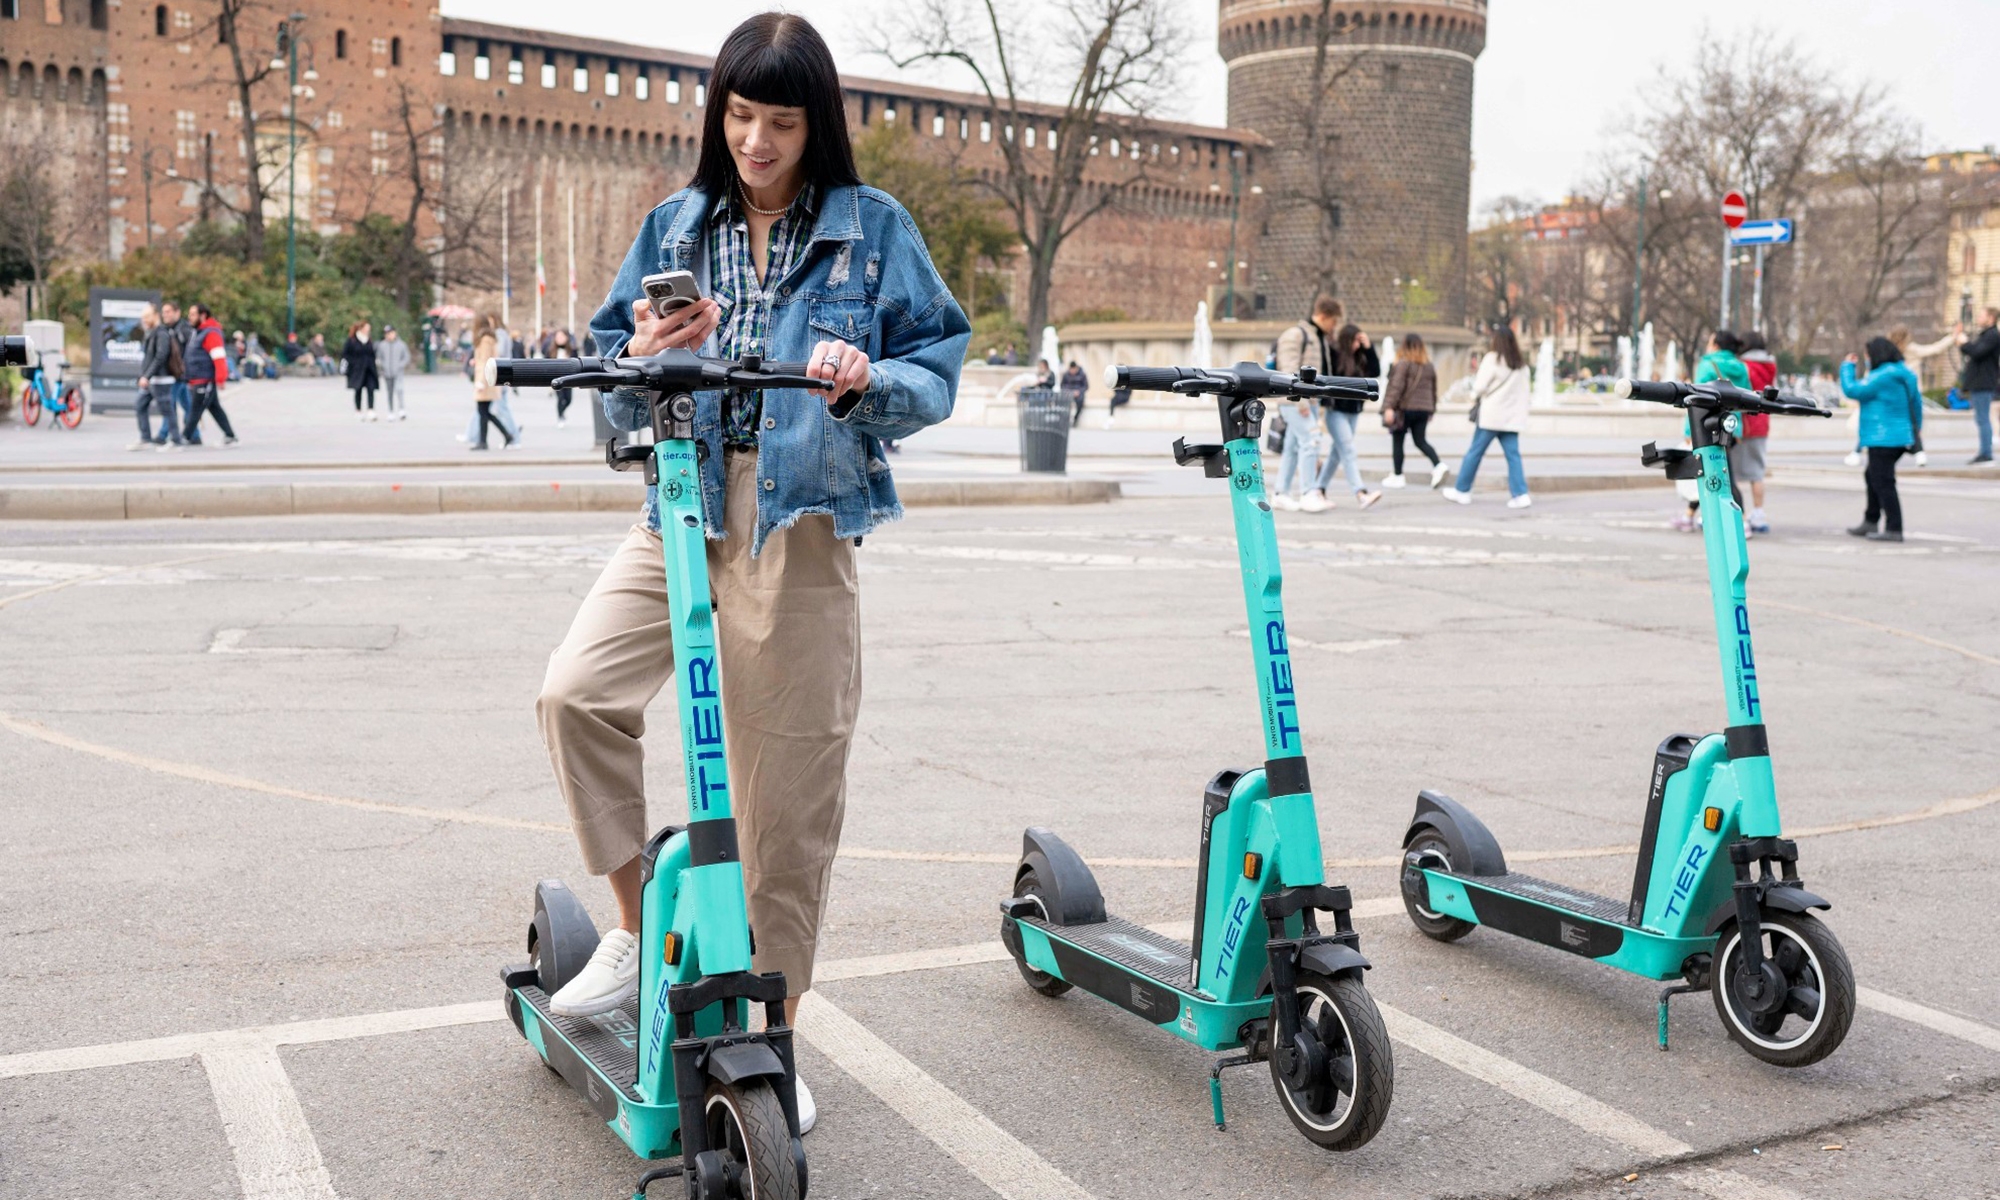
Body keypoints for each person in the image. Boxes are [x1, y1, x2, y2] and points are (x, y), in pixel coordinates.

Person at [539, 14, 968, 1138]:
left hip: (801, 517)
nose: (756, 142)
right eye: (738, 116)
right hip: (675, 508)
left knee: (784, 801)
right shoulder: (676, 223)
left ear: (814, 124)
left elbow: (938, 368)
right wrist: (642, 354)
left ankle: (765, 1034)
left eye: (780, 121)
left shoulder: (873, 231)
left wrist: (865, 378)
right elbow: (610, 372)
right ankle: (646, 934)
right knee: (574, 695)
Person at [1841, 336, 1921, 543]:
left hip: (1882, 437)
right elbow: (1917, 404)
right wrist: (1915, 431)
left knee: (1883, 482)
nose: (1867, 358)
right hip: (1899, 436)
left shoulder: (1882, 376)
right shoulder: (1905, 374)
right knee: (1873, 476)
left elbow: (1853, 390)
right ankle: (1871, 519)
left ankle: (1894, 527)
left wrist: (1847, 367)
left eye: (1868, 354)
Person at [1442, 326, 1532, 507]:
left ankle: (1462, 490)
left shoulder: (1493, 359)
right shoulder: (1521, 364)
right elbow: (1525, 393)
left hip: (1492, 416)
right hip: (1511, 418)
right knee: (1513, 456)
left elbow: (1480, 386)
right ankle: (1520, 494)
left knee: (1474, 453)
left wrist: (1473, 397)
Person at [1673, 330, 1751, 531]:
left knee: (1721, 474)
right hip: (1731, 426)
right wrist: (1739, 429)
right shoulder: (1741, 369)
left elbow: (1695, 400)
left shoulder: (1707, 365)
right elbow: (1748, 398)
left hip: (1707, 426)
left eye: (1709, 341)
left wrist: (1690, 431)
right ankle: (1690, 515)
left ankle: (1741, 522)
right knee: (1714, 470)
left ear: (1715, 345)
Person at [1302, 320, 1382, 511]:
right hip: (1336, 412)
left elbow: (1376, 372)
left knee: (1336, 455)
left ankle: (1318, 489)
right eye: (1355, 341)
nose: (1357, 345)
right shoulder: (1336, 354)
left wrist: (1369, 348)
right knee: (1348, 450)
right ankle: (1361, 493)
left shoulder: (1360, 357)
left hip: (1354, 413)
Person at [1380, 332, 1443, 489]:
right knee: (1420, 441)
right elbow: (1434, 390)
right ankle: (1439, 465)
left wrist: (1388, 407)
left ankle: (1398, 475)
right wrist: (1432, 409)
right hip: (1423, 410)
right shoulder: (1428, 366)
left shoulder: (1403, 363)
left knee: (1398, 440)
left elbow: (1395, 388)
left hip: (1406, 409)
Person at [1735, 331, 1777, 534]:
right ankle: (1759, 513)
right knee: (1757, 472)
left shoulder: (1743, 365)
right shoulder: (1770, 365)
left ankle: (1736, 514)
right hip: (1763, 421)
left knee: (1731, 471)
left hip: (1745, 421)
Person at [132, 303, 186, 451]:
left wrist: (147, 376)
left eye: (147, 316)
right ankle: (146, 438)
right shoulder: (151, 333)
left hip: (161, 379)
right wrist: (143, 375)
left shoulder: (161, 333)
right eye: (143, 317)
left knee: (167, 409)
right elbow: (149, 358)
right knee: (140, 405)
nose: (144, 320)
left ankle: (176, 440)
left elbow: (161, 356)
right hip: (152, 379)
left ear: (155, 316)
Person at [182, 302, 238, 445]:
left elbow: (219, 357)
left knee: (196, 409)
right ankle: (230, 435)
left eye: (193, 314)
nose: (190, 317)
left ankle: (184, 437)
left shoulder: (211, 333)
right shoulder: (198, 332)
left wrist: (220, 379)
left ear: (203, 315)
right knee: (214, 407)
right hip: (198, 378)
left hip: (205, 379)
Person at [1957, 307, 1999, 465]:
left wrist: (1964, 342)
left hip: (1983, 383)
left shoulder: (1992, 335)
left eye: (1982, 315)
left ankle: (1986, 453)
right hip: (1980, 383)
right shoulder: (1987, 335)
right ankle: (1985, 452)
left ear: (1991, 318)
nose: (1979, 318)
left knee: (1983, 419)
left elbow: (1976, 352)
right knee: (1981, 418)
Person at [1269, 393, 1323, 510]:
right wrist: (1302, 403)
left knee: (1291, 448)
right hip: (1297, 400)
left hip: (1301, 400)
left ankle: (1281, 492)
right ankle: (1308, 493)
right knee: (1311, 441)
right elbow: (1293, 376)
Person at [468, 316, 513, 450]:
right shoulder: (489, 338)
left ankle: (486, 441)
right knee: (484, 412)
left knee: (483, 411)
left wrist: (481, 382)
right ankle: (502, 436)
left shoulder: (485, 340)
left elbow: (485, 362)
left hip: (485, 381)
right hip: (487, 380)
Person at [160, 301, 198, 445]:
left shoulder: (184, 329)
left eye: (168, 311)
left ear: (177, 312)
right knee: (187, 405)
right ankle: (195, 434)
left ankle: (163, 434)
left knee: (169, 404)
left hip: (180, 374)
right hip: (177, 374)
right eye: (164, 312)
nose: (165, 315)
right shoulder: (169, 329)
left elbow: (191, 351)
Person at [344, 321, 381, 420]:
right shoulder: (352, 340)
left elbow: (372, 354)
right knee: (358, 389)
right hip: (357, 369)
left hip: (369, 369)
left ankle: (370, 409)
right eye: (366, 328)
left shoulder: (369, 340)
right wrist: (353, 364)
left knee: (371, 389)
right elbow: (345, 354)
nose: (368, 330)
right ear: (361, 328)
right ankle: (358, 410)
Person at [377, 324, 411, 421]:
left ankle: (401, 409)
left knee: (399, 389)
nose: (389, 335)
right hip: (387, 372)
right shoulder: (382, 345)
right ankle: (390, 411)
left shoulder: (401, 345)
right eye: (387, 334)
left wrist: (400, 365)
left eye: (390, 333)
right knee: (390, 392)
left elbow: (406, 357)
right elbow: (379, 357)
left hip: (398, 372)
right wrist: (382, 365)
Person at [546, 328, 577, 425]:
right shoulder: (551, 350)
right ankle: (560, 417)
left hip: (569, 378)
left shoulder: (572, 350)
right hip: (556, 378)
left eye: (562, 336)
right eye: (557, 337)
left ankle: (562, 412)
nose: (559, 339)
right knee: (560, 398)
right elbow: (546, 364)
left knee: (568, 399)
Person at [1061, 359, 1089, 427]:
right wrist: (1069, 392)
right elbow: (1062, 386)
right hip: (1069, 393)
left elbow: (1086, 386)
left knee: (1080, 402)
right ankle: (1066, 420)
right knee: (1064, 403)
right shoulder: (1066, 375)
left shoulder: (1082, 374)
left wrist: (1079, 391)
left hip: (1078, 393)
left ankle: (1075, 418)